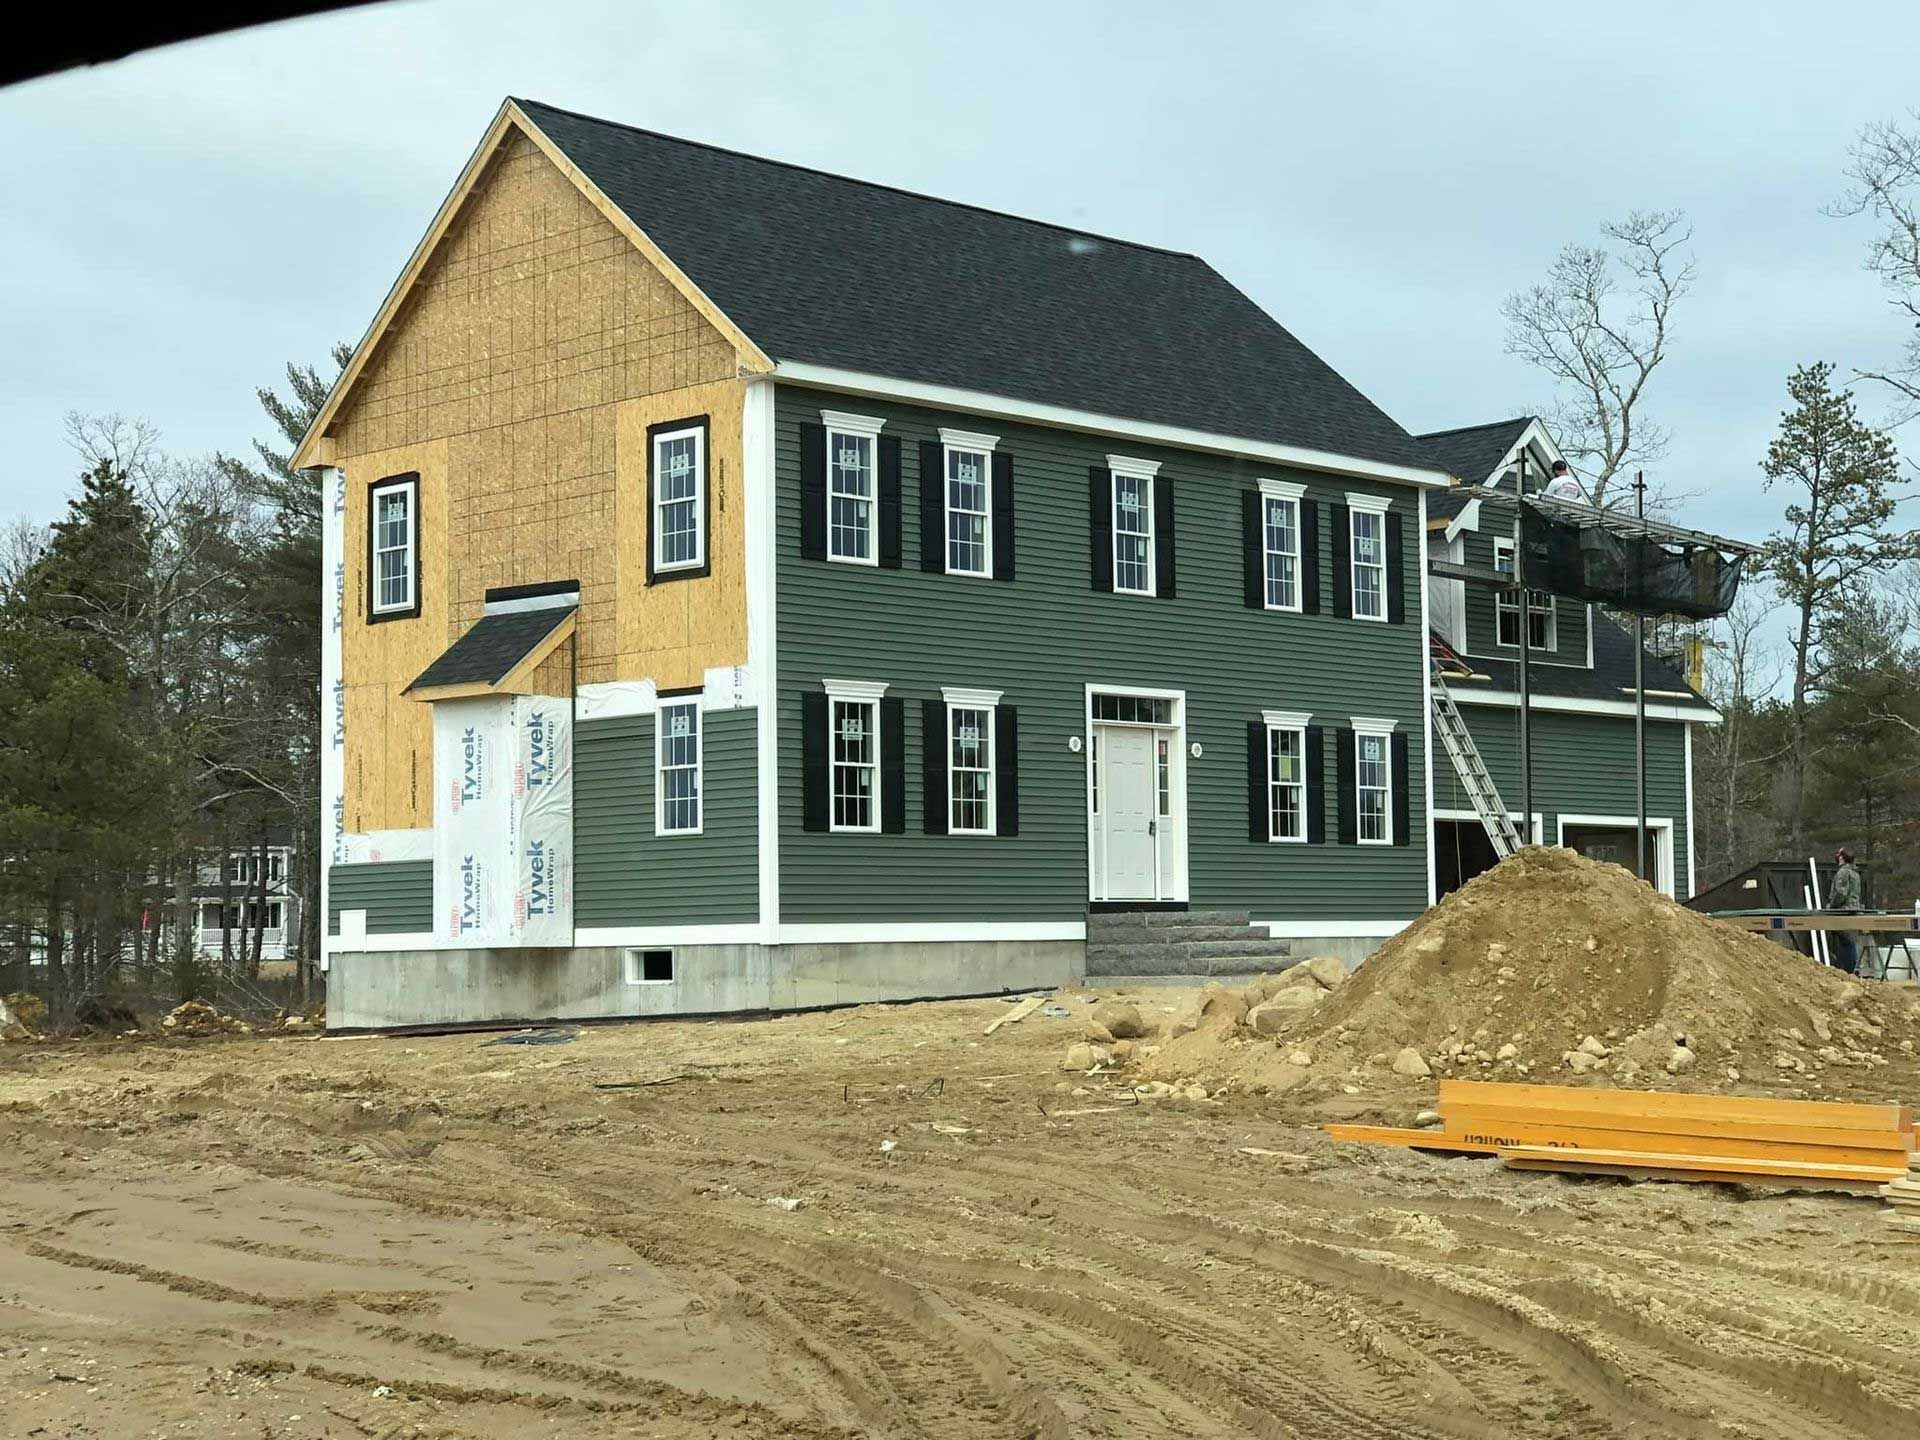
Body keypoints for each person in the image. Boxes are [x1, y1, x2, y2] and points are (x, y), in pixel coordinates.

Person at [1827, 847, 1864, 975]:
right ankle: (1851, 971)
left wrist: (1831, 906)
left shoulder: (1843, 872)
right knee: (1850, 942)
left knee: (1845, 944)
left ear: (1842, 857)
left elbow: (1840, 893)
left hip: (1843, 912)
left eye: (1839, 854)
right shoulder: (1855, 873)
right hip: (1853, 910)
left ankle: (1847, 973)